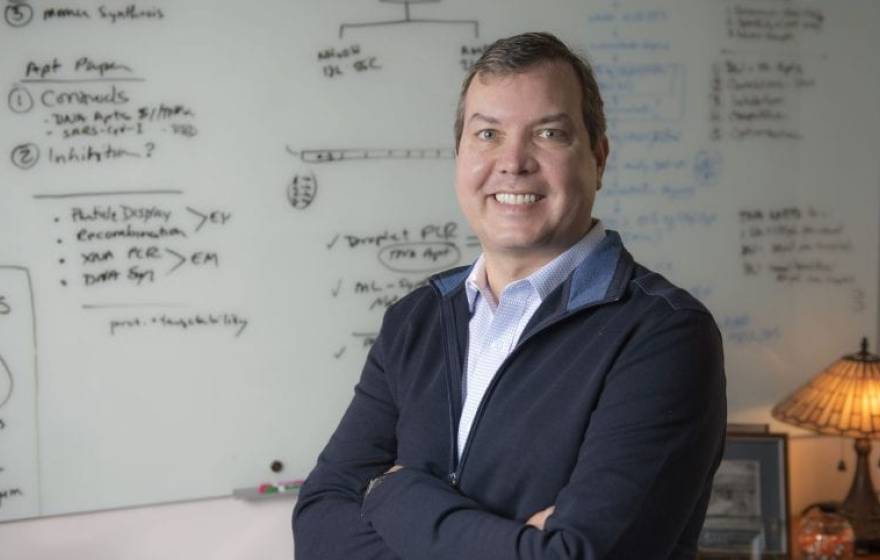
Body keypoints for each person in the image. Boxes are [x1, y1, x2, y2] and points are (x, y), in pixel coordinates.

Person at [292, 31, 726, 559]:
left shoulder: (664, 334)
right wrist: (517, 540)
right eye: (488, 134)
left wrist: (392, 491)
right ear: (459, 156)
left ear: (599, 158)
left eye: (548, 133)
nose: (513, 161)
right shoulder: (416, 319)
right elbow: (318, 527)